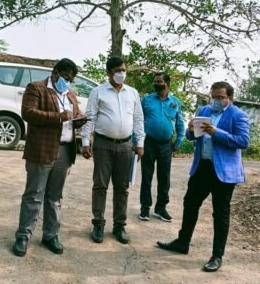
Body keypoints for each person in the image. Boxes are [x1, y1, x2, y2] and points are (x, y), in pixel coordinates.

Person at [157, 81, 250, 273]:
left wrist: (217, 133)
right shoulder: (204, 111)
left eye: (220, 97)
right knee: (190, 203)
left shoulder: (238, 115)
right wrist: (190, 130)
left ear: (229, 98)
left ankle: (217, 255)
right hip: (202, 167)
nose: (215, 100)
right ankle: (183, 242)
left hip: (223, 172)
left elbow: (243, 141)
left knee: (220, 213)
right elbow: (193, 138)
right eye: (213, 96)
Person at [11, 58, 87, 257]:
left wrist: (79, 120)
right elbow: (28, 113)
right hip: (42, 149)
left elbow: (73, 116)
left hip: (64, 151)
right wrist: (59, 117)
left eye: (70, 79)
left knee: (55, 197)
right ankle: (23, 236)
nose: (67, 81)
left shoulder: (70, 94)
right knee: (34, 194)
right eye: (65, 77)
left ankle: (50, 235)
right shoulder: (36, 88)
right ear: (55, 73)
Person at [81, 56, 145, 244]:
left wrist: (140, 142)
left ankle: (119, 226)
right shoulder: (98, 92)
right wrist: (86, 141)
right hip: (103, 144)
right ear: (109, 72)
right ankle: (98, 223)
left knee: (122, 187)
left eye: (123, 70)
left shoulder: (132, 93)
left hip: (126, 145)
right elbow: (89, 117)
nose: (121, 73)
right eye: (117, 70)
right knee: (100, 185)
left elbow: (138, 118)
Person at [138, 72, 185, 222]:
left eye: (159, 81)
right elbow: (138, 121)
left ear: (167, 83)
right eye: (155, 81)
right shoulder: (147, 100)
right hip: (148, 142)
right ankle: (145, 208)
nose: (156, 84)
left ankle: (161, 208)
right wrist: (136, 141)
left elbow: (180, 123)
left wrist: (178, 141)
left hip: (166, 144)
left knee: (164, 177)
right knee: (147, 176)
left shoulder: (175, 102)